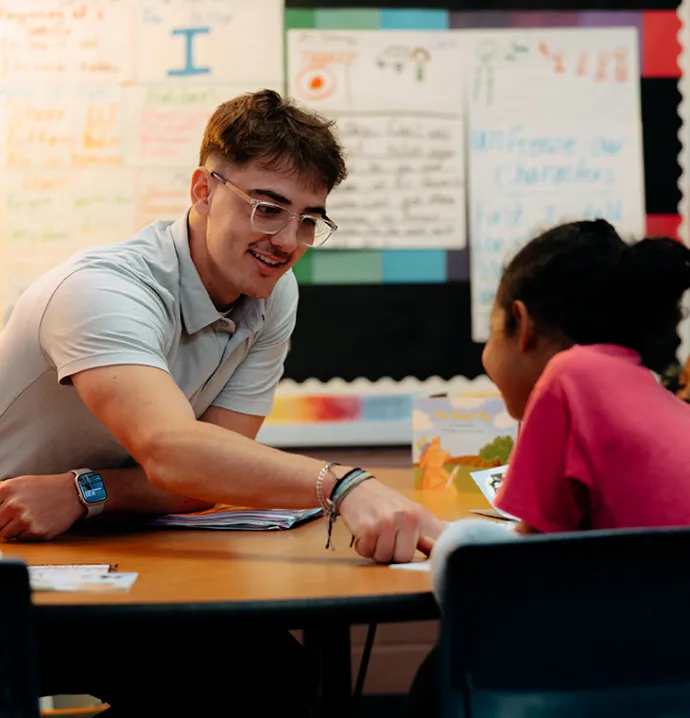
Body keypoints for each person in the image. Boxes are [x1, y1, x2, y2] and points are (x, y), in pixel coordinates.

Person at [0, 89, 445, 717]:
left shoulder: (271, 294)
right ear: (203, 190)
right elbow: (172, 451)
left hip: (93, 548)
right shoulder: (100, 290)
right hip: (12, 558)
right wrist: (342, 484)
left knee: (270, 677)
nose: (287, 241)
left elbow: (204, 474)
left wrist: (85, 490)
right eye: (268, 208)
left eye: (309, 219)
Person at [405, 218, 690, 717]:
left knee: (437, 673)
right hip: (669, 674)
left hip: (602, 680)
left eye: (493, 330)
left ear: (522, 324)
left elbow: (529, 582)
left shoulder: (570, 375)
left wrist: (441, 535)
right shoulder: (661, 398)